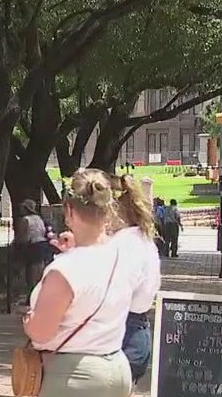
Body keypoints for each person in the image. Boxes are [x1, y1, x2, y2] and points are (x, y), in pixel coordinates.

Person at [23, 169, 133, 397]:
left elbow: (41, 333)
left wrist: (28, 319)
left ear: (70, 211)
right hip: (117, 366)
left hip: (72, 375)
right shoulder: (124, 254)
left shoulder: (64, 270)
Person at [109, 174, 162, 392]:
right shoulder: (142, 237)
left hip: (123, 330)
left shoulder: (123, 243)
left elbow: (116, 293)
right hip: (137, 328)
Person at [14, 199, 52, 303]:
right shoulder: (39, 218)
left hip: (33, 246)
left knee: (31, 274)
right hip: (42, 245)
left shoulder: (25, 220)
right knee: (39, 272)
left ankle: (32, 297)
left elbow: (23, 237)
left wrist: (16, 246)